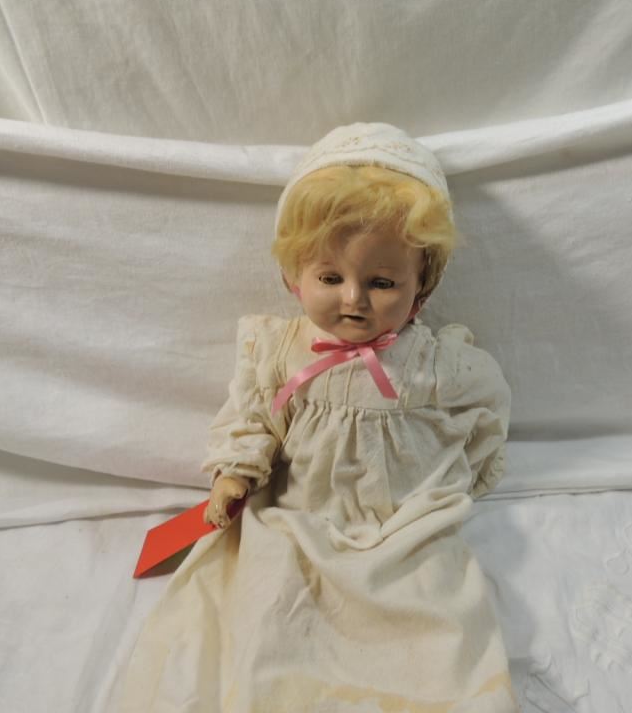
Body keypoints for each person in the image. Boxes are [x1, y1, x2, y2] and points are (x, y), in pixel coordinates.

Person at [119, 122, 516, 711]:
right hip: (299, 508)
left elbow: (487, 405)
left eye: (382, 282)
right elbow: (253, 414)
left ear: (422, 288)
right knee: (271, 602)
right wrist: (234, 474)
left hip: (405, 516)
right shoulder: (280, 351)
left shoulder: (435, 363)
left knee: (432, 612)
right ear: (293, 276)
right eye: (330, 277)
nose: (353, 298)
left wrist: (473, 474)